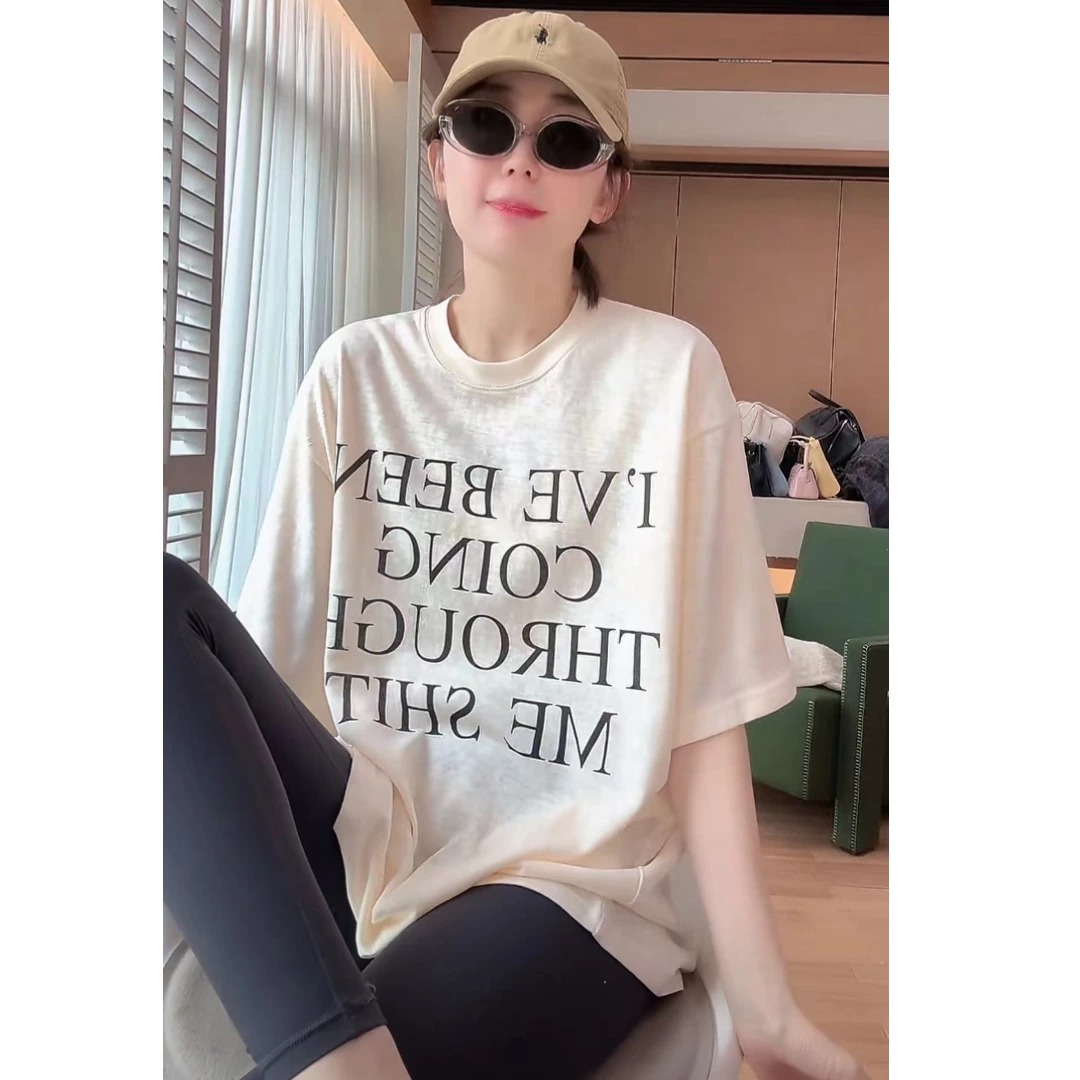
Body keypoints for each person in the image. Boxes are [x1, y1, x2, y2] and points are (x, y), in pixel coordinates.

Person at [164, 10, 872, 1080]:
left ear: (608, 189)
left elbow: (704, 713)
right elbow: (278, 667)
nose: (521, 160)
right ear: (438, 161)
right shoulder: (355, 371)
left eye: (567, 139)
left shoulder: (668, 375)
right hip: (365, 828)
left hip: (567, 883)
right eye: (487, 125)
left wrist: (765, 1005)